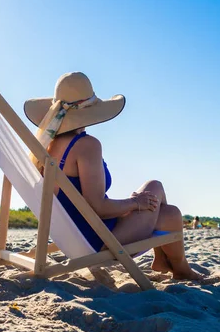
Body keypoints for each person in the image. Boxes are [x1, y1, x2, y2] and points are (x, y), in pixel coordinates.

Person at [24, 72, 200, 280]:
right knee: (156, 186)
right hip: (101, 239)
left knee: (171, 214)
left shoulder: (46, 147)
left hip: (76, 236)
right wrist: (135, 203)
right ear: (90, 111)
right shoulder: (86, 146)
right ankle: (180, 269)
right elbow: (98, 208)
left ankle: (167, 262)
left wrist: (131, 205)